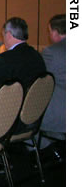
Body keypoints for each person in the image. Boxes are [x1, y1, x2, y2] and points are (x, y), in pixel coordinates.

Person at [0, 17, 46, 104]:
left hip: (8, 111)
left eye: (3, 35)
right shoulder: (36, 55)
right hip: (32, 109)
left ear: (8, 35)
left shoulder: (4, 59)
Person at [40, 14, 66, 144]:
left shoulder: (51, 52)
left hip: (60, 115)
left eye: (49, 31)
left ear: (55, 32)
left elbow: (40, 81)